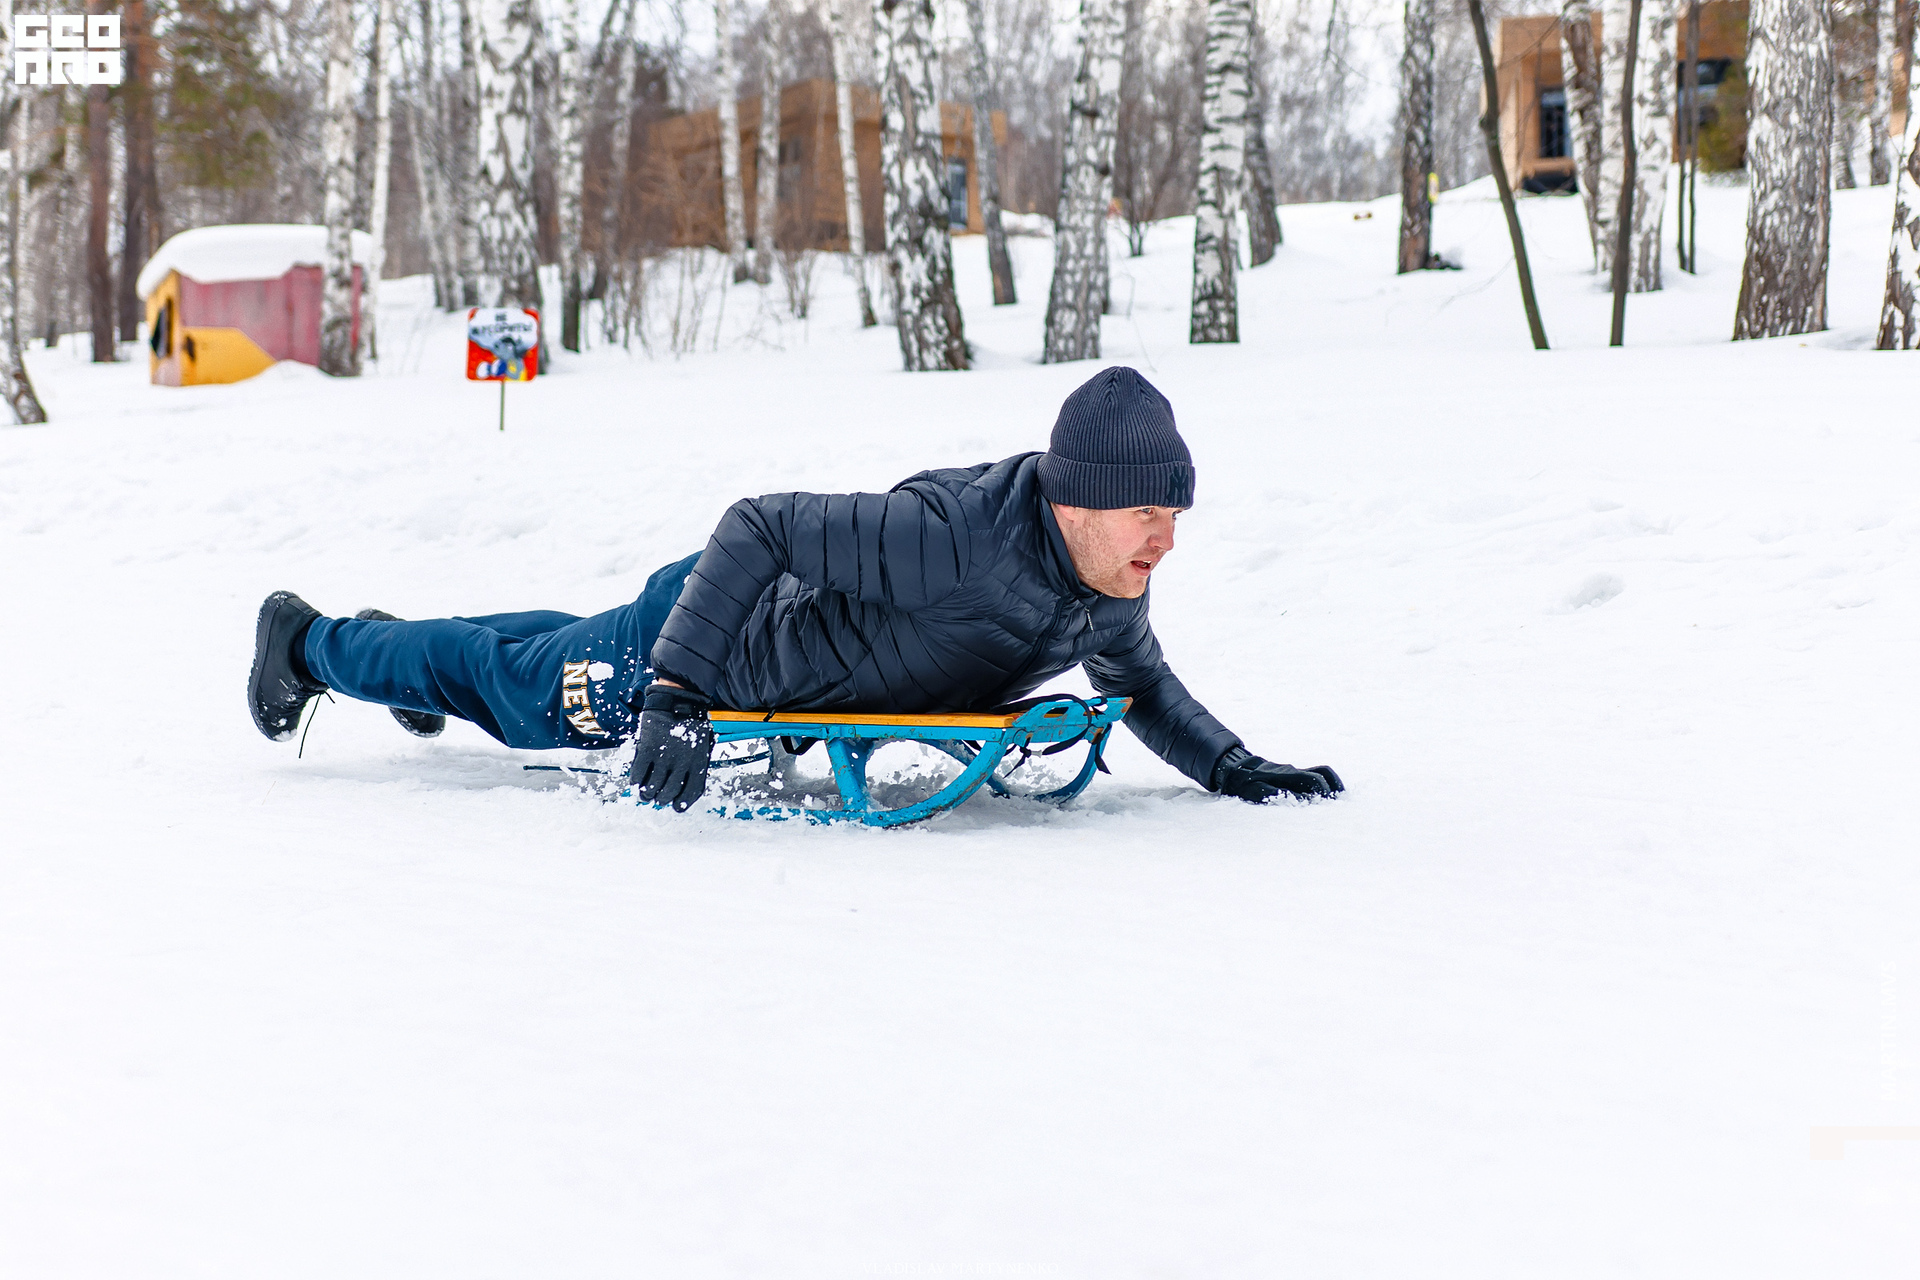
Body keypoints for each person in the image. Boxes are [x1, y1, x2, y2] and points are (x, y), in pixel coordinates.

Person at [247, 366, 1343, 811]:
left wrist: (1235, 766)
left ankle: (403, 642)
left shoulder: (1107, 582)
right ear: (1079, 499)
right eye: (1148, 512)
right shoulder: (951, 539)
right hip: (716, 645)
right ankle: (310, 642)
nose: (1165, 540)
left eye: (1175, 516)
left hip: (730, 644)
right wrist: (678, 691)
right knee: (521, 690)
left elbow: (1142, 685)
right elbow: (760, 525)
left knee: (541, 649)